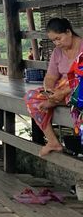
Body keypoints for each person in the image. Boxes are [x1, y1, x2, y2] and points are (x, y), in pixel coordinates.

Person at [25, 17, 83, 156]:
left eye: (59, 38)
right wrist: (49, 90)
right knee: (31, 98)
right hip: (60, 90)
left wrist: (62, 93)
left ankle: (55, 101)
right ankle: (53, 141)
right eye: (53, 41)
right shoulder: (57, 52)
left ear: (68, 32)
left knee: (77, 97)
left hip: (78, 88)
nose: (57, 43)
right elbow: (51, 76)